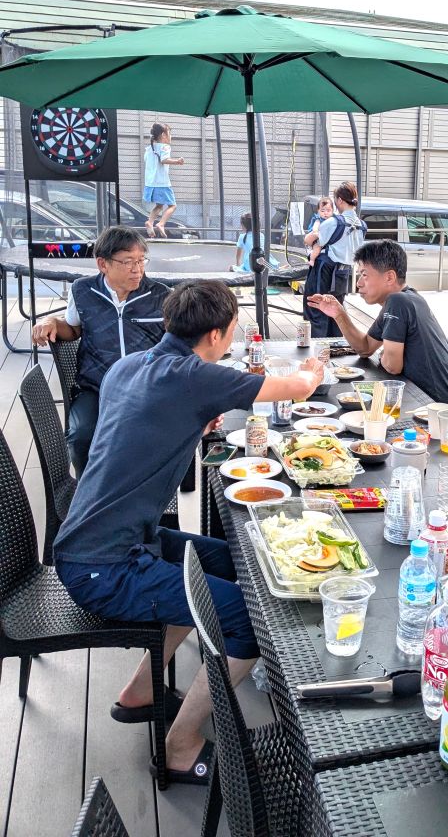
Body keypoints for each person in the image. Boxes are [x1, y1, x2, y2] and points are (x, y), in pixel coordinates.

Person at [53, 280, 324, 784]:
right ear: (216, 335)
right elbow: (298, 389)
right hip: (104, 569)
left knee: (225, 559)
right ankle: (179, 747)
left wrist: (192, 424)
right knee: (249, 620)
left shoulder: (128, 366)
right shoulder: (196, 376)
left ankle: (140, 692)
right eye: (232, 329)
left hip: (101, 541)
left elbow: (136, 428)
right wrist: (314, 369)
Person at [32, 225, 169, 477]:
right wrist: (52, 322)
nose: (137, 269)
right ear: (103, 264)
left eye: (141, 260)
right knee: (81, 435)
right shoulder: (83, 291)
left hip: (147, 387)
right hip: (96, 386)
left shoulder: (161, 295)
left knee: (162, 434)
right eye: (128, 261)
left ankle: (147, 489)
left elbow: (178, 340)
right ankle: (91, 490)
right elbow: (73, 329)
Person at [308, 237, 448, 406]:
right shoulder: (402, 300)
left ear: (389, 277)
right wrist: (339, 314)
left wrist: (387, 357)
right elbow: (365, 348)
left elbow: (392, 366)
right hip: (421, 397)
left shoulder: (399, 302)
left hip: (437, 408)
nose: (358, 283)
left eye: (364, 275)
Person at [303, 182, 366, 338]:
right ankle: (336, 345)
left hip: (324, 270)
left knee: (316, 308)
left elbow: (314, 241)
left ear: (339, 200)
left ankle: (317, 347)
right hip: (343, 273)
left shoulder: (333, 222)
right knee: (336, 311)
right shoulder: (362, 226)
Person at [143, 122, 184, 238]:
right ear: (163, 135)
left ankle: (150, 222)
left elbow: (148, 161)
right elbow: (164, 159)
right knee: (173, 206)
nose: (171, 136)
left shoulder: (149, 149)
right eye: (169, 134)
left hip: (150, 183)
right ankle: (161, 223)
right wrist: (177, 161)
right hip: (162, 183)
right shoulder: (165, 147)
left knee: (159, 205)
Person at [303, 195, 334, 267]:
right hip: (317, 239)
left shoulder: (332, 220)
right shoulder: (319, 219)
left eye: (328, 210)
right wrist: (316, 232)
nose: (325, 213)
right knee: (317, 248)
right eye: (322, 211)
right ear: (318, 211)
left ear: (332, 211)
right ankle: (312, 260)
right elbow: (315, 226)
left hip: (325, 240)